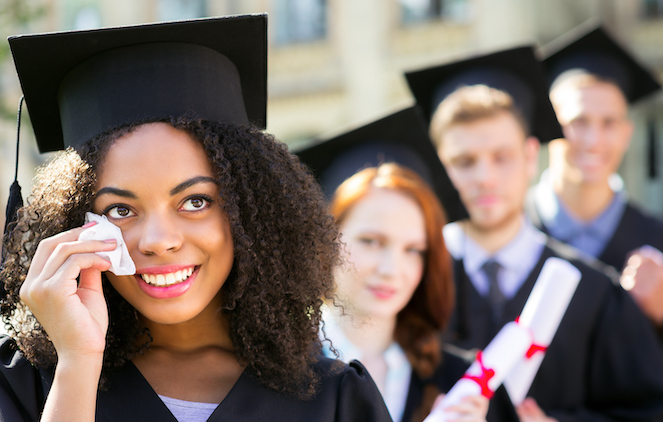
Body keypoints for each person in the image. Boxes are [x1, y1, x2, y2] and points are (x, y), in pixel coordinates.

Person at [0, 15, 392, 422]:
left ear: (250, 212)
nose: (158, 240)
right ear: (76, 228)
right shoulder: (27, 384)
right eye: (120, 210)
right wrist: (78, 363)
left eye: (196, 201)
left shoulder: (334, 400)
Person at [406, 47, 663, 422]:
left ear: (530, 156)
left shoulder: (594, 292)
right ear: (440, 168)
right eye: (463, 162)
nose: (484, 178)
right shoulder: (412, 288)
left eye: (501, 156)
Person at [296, 107, 488, 422]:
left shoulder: (458, 382)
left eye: (414, 249)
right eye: (371, 241)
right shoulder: (269, 375)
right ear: (323, 241)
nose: (391, 269)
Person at [528, 22, 663, 331]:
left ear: (627, 134)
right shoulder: (512, 233)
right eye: (578, 121)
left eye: (609, 123)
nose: (593, 140)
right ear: (549, 127)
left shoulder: (656, 241)